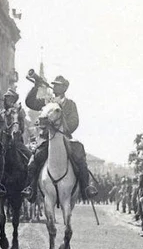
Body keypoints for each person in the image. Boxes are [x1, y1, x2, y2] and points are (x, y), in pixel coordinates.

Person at [22, 74, 92, 203]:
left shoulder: (70, 104)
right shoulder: (47, 101)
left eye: (58, 85)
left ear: (65, 88)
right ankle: (30, 188)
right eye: (54, 84)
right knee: (33, 161)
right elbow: (30, 102)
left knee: (80, 159)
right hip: (46, 139)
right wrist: (36, 85)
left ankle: (85, 189)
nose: (54, 87)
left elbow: (74, 121)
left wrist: (62, 130)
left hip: (65, 139)